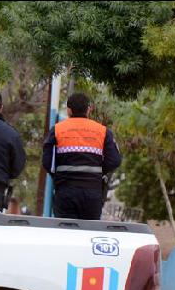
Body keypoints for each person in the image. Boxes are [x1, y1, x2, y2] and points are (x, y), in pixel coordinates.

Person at [42, 92, 122, 220]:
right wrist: (98, 173)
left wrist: (58, 176)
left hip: (65, 191)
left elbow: (47, 161)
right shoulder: (103, 131)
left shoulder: (57, 130)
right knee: (89, 234)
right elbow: (115, 160)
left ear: (68, 110)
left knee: (66, 234)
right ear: (88, 109)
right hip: (92, 194)